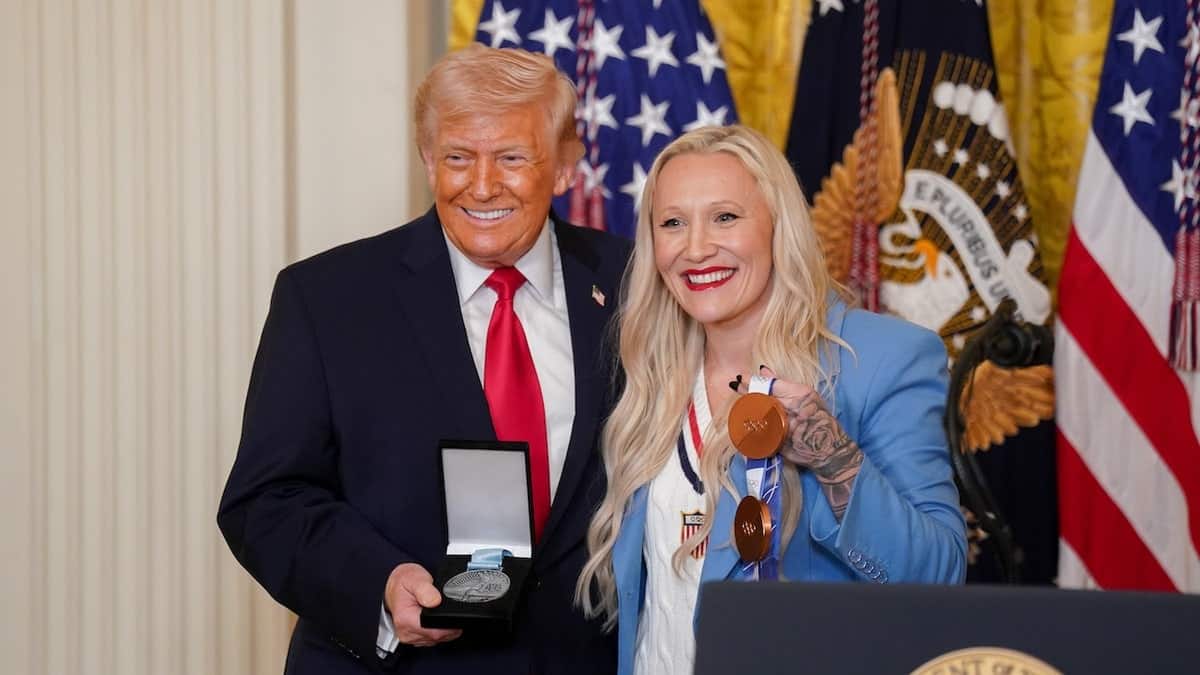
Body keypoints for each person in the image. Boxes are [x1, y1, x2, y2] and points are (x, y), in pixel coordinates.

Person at [218, 44, 629, 674]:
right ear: (427, 159)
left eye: (513, 158)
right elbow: (264, 501)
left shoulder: (635, 286)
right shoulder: (326, 299)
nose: (483, 184)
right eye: (457, 158)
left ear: (567, 166)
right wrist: (378, 583)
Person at [574, 125, 967, 675]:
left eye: (726, 217)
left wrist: (836, 461)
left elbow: (939, 578)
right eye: (672, 223)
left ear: (779, 227)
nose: (695, 248)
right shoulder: (647, 374)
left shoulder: (883, 359)